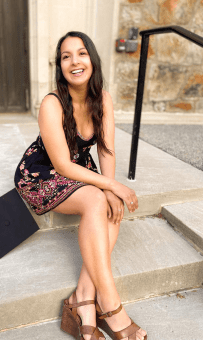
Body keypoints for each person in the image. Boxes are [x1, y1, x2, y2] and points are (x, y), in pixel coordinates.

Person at [14, 31, 147, 340]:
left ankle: (83, 299)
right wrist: (112, 188)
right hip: (42, 174)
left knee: (110, 206)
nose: (75, 61)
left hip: (80, 170)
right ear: (59, 65)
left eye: (81, 53)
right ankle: (112, 308)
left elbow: (105, 149)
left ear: (92, 59)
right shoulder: (52, 103)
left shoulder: (101, 98)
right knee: (97, 202)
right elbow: (61, 165)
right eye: (66, 56)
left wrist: (112, 188)